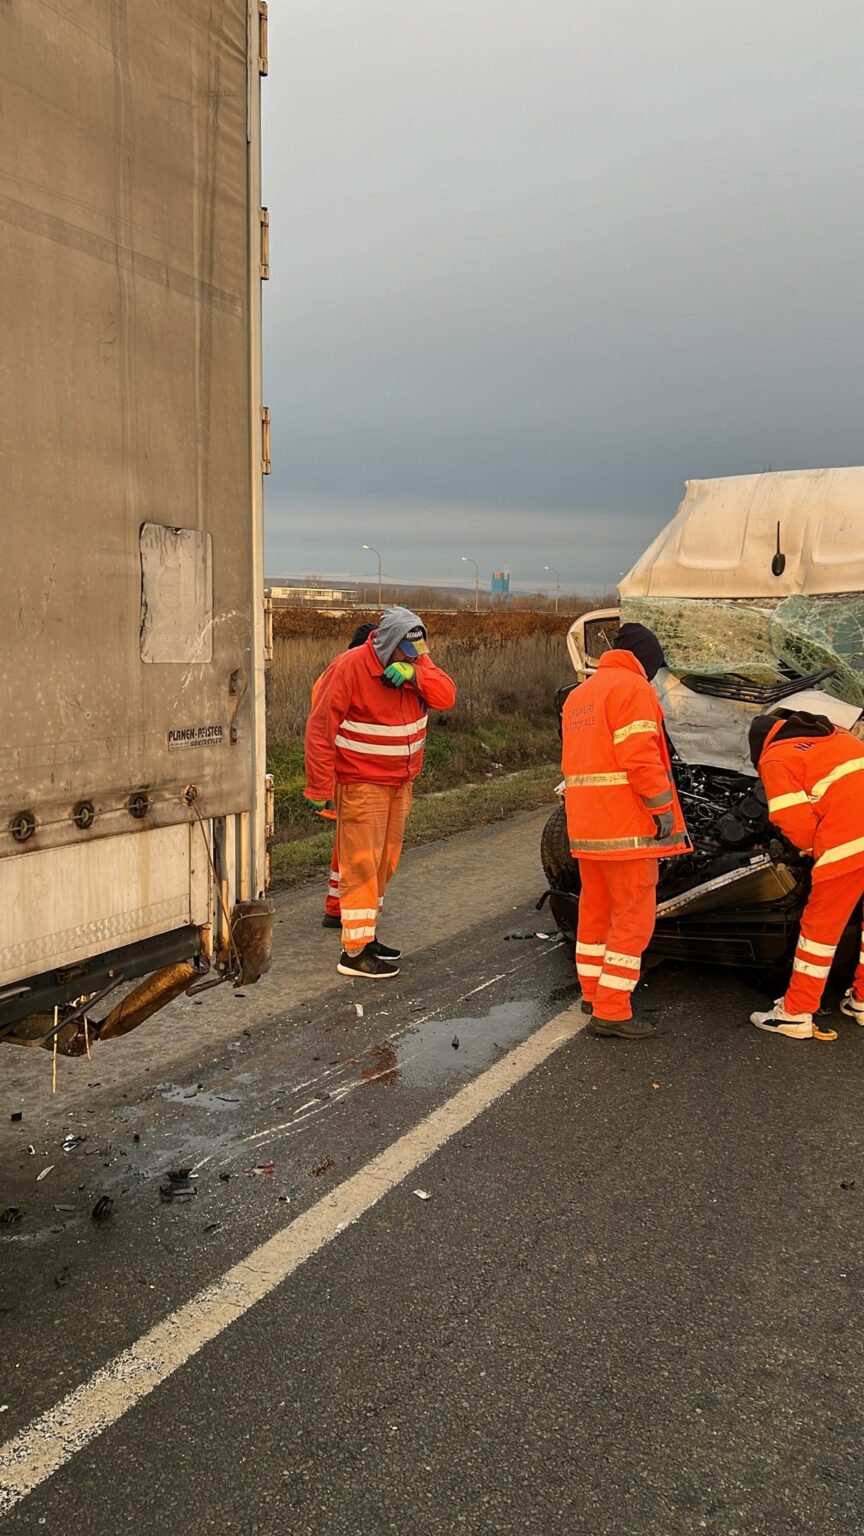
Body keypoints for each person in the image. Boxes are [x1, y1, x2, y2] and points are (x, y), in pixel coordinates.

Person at [304, 607, 456, 979]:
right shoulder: (350, 668)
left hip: (399, 783)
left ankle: (367, 935)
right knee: (361, 863)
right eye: (407, 652)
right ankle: (353, 952)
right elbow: (320, 730)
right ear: (388, 645)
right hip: (362, 783)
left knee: (384, 862)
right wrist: (321, 786)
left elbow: (446, 695)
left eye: (418, 650)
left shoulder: (418, 662)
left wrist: (417, 673)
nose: (414, 656)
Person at [562, 623, 690, 1039]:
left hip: (587, 828)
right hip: (628, 828)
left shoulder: (581, 694)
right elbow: (639, 757)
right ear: (646, 659)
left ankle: (593, 992)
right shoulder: (633, 690)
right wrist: (662, 807)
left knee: (595, 913)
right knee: (632, 918)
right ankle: (613, 1010)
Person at [748, 710, 864, 1039]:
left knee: (820, 933)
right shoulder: (836, 735)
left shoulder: (776, 758)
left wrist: (812, 848)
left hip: (850, 845)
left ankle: (796, 1013)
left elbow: (793, 821)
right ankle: (861, 1002)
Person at [311, 622, 376, 930]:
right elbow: (326, 732)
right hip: (348, 774)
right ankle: (342, 907)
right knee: (354, 845)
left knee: (347, 843)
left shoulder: (332, 674)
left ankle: (338, 904)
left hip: (341, 773)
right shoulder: (346, 676)